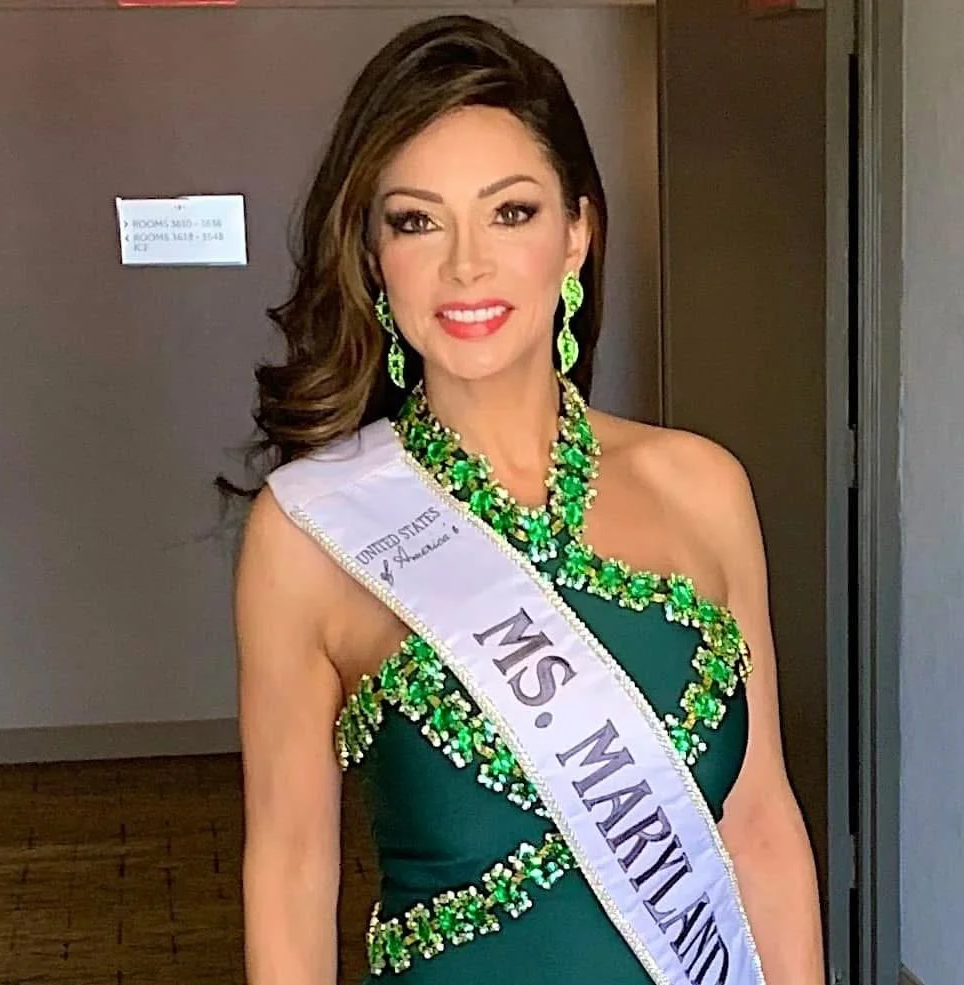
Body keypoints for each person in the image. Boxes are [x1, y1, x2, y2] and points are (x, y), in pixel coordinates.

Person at [232, 14, 823, 985]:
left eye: (510, 211)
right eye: (416, 219)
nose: (466, 264)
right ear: (373, 253)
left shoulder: (702, 488)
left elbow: (757, 821)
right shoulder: (310, 530)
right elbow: (292, 868)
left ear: (576, 231)